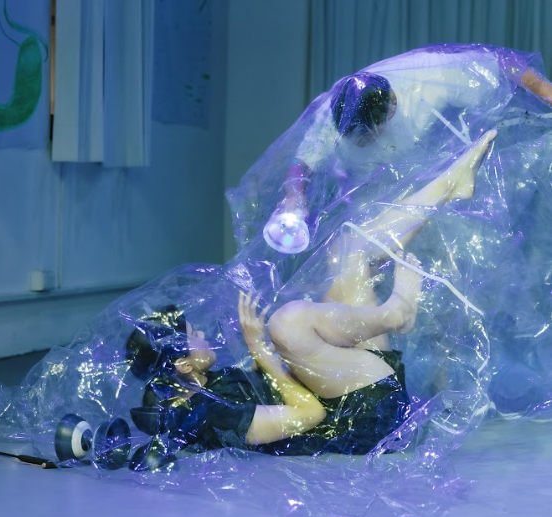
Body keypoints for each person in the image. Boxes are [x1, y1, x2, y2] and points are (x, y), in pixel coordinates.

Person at [126, 127, 497, 463]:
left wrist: (265, 357)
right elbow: (309, 415)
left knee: (347, 250)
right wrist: (263, 353)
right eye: (191, 335)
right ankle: (395, 315)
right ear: (183, 365)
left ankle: (450, 184)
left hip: (352, 386)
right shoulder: (211, 415)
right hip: (363, 416)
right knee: (287, 323)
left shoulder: (206, 390)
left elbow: (267, 390)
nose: (200, 333)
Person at [262, 44, 552, 254]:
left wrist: (546, 93)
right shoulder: (335, 110)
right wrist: (294, 196)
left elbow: (499, 61)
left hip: (437, 175)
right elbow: (302, 161)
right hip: (368, 196)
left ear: (390, 109)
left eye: (363, 136)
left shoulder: (426, 77)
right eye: (349, 136)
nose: (357, 142)